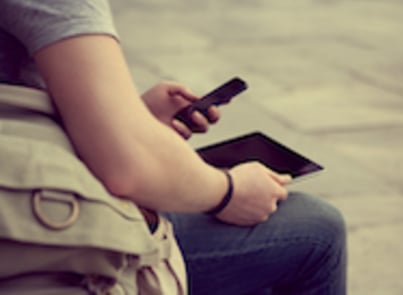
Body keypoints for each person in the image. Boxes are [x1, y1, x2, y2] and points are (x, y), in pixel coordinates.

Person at [0, 0, 347, 294]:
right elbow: (128, 169)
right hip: (36, 241)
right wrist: (229, 192)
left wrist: (130, 118)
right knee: (316, 230)